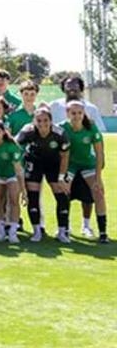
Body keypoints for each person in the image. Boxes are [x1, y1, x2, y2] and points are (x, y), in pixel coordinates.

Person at [15, 107, 71, 243]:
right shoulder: (27, 131)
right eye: (39, 120)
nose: (42, 124)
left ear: (51, 121)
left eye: (45, 120)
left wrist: (61, 177)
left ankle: (62, 232)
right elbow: (14, 144)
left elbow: (65, 155)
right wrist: (18, 165)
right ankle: (37, 231)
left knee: (62, 196)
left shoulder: (59, 133)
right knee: (33, 197)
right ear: (34, 121)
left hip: (54, 164)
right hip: (34, 163)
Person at [60, 100, 108, 243]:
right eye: (73, 113)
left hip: (88, 164)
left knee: (98, 193)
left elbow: (100, 153)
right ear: (67, 113)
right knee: (63, 192)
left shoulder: (91, 127)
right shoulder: (61, 128)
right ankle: (64, 227)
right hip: (70, 166)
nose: (77, 116)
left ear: (84, 113)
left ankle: (102, 231)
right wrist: (62, 176)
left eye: (80, 113)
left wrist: (98, 178)